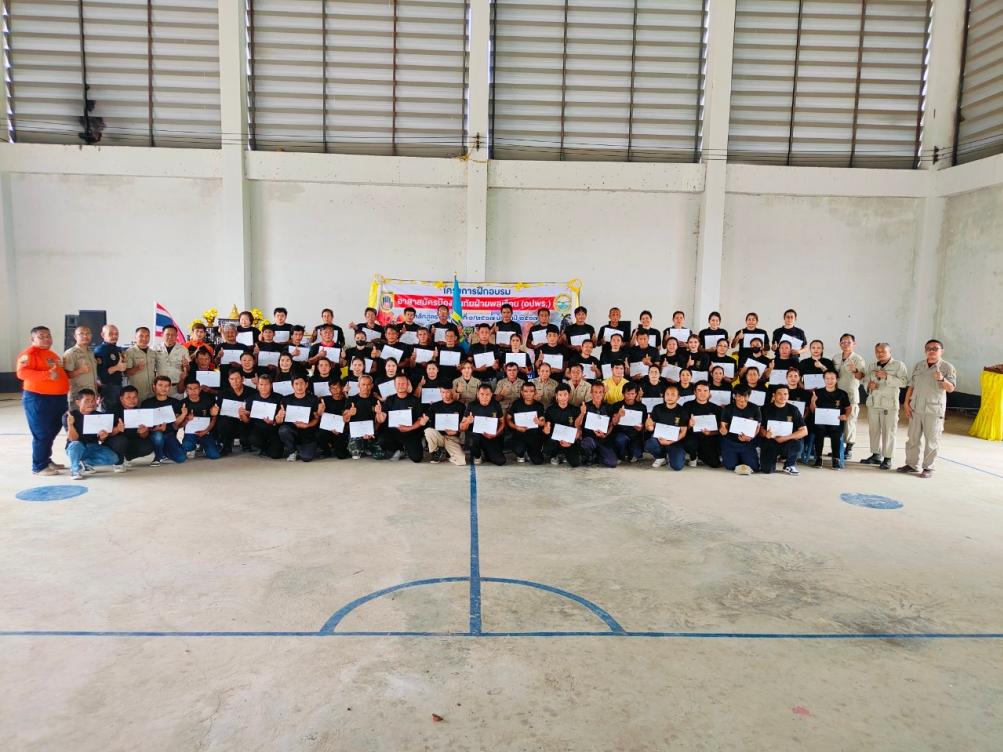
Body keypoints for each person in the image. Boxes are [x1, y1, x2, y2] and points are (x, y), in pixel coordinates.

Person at [898, 340, 957, 478]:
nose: (931, 351)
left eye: (935, 348)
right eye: (929, 348)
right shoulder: (919, 365)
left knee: (931, 440)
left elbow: (951, 388)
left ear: (942, 351)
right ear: (925, 351)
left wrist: (942, 379)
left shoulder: (947, 367)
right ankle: (911, 464)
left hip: (933, 410)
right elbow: (911, 386)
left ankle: (928, 468)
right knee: (912, 439)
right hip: (915, 408)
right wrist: (906, 403)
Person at [17, 326, 70, 475]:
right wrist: (46, 375)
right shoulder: (29, 354)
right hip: (38, 398)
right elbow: (22, 373)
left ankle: (46, 460)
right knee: (42, 432)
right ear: (32, 339)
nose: (46, 339)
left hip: (58, 398)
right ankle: (39, 466)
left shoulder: (52, 355)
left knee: (52, 430)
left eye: (48, 336)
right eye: (41, 336)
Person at [861, 343, 909, 470]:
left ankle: (887, 458)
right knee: (874, 430)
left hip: (889, 404)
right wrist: (868, 386)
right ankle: (876, 455)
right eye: (877, 351)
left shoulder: (898, 365)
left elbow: (904, 382)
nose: (880, 354)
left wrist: (887, 377)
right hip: (873, 403)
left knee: (889, 431)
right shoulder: (872, 366)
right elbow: (865, 380)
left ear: (890, 352)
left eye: (883, 351)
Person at [65, 388, 125, 479]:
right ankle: (75, 470)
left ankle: (83, 462)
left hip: (92, 446)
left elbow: (103, 437)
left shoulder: (99, 416)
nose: (91, 403)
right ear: (78, 402)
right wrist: (70, 424)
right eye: (87, 401)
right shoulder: (70, 416)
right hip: (76, 447)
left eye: (93, 400)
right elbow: (73, 439)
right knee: (75, 444)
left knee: (114, 458)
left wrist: (114, 431)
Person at [758, 385, 808, 475]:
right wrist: (765, 433)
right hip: (770, 442)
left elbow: (804, 431)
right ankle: (771, 461)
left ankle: (789, 465)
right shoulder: (765, 409)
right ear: (774, 395)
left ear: (788, 395)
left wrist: (785, 438)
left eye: (785, 394)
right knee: (767, 470)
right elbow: (759, 428)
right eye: (779, 394)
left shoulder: (793, 409)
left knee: (797, 444)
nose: (783, 396)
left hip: (787, 441)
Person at [377, 374, 425, 462]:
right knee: (381, 440)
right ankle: (399, 449)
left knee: (417, 458)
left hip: (410, 433)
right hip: (394, 432)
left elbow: (420, 420)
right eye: (398, 383)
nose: (401, 386)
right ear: (394, 385)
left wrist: (409, 428)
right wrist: (378, 413)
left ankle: (410, 446)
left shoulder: (415, 400)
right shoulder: (390, 400)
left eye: (403, 383)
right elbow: (381, 419)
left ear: (407, 385)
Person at [140, 375, 186, 466]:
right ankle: (158, 457)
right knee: (158, 436)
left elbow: (176, 423)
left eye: (166, 386)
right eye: (160, 385)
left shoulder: (175, 402)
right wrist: (154, 429)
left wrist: (183, 414)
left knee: (181, 458)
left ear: (169, 387)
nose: (163, 388)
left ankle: (163, 451)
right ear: (154, 386)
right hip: (154, 434)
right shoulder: (147, 403)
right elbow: (144, 424)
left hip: (170, 434)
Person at [810, 370, 851, 469]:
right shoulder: (817, 392)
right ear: (824, 380)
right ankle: (818, 458)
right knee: (819, 431)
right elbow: (812, 410)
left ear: (836, 380)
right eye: (827, 378)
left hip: (835, 422)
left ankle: (836, 459)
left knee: (836, 433)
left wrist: (846, 416)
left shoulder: (842, 394)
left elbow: (848, 408)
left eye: (832, 378)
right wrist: (813, 402)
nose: (830, 381)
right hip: (821, 422)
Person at [834, 333, 866, 459]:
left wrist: (855, 370)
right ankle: (838, 447)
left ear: (854, 344)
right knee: (837, 421)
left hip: (850, 394)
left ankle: (849, 448)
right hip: (836, 395)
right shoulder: (836, 358)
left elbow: (861, 376)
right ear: (839, 344)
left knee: (849, 422)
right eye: (843, 342)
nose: (845, 344)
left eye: (848, 342)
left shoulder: (858, 359)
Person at [277, 375, 323, 462]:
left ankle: (300, 448)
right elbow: (279, 420)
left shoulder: (314, 399)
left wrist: (307, 425)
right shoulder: (286, 400)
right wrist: (278, 418)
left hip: (308, 433)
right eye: (296, 384)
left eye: (301, 383)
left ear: (306, 385)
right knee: (283, 430)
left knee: (306, 457)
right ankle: (292, 451)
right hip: (292, 431)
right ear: (292, 386)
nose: (299, 386)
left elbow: (316, 419)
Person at [106, 385, 155, 465]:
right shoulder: (112, 411)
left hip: (131, 441)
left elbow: (143, 436)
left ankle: (126, 457)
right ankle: (118, 463)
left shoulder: (139, 411)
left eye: (134, 397)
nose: (132, 400)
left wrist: (143, 432)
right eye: (128, 397)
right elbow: (106, 434)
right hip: (115, 442)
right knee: (121, 441)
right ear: (121, 399)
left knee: (148, 446)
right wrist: (117, 429)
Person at [644, 383, 688, 470]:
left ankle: (675, 455)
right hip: (659, 439)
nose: (669, 397)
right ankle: (661, 457)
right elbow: (651, 428)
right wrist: (648, 425)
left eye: (673, 394)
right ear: (664, 396)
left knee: (677, 467)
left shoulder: (683, 411)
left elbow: (683, 432)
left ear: (678, 397)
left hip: (674, 442)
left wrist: (670, 442)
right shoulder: (657, 408)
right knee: (649, 444)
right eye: (667, 394)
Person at [720, 385, 761, 474]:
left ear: (749, 396)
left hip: (747, 442)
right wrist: (723, 430)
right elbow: (723, 426)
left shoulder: (755, 408)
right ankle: (736, 457)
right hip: (730, 442)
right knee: (730, 466)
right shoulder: (728, 408)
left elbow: (757, 427)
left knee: (754, 467)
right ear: (735, 396)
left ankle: (744, 457)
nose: (742, 399)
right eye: (739, 396)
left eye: (745, 396)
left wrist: (750, 437)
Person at [462, 384, 506, 465]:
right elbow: (462, 427)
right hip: (475, 437)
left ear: (491, 395)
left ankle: (487, 454)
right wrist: (467, 421)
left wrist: (496, 434)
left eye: (487, 394)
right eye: (482, 394)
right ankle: (477, 456)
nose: (484, 397)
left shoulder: (496, 405)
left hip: (490, 436)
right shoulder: (472, 405)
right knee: (472, 441)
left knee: (501, 461)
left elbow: (502, 422)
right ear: (478, 394)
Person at [244, 373, 284, 459]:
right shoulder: (251, 398)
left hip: (273, 429)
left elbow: (280, 418)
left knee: (276, 455)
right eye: (261, 384)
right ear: (257, 385)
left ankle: (271, 447)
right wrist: (245, 413)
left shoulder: (279, 398)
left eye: (266, 384)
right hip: (258, 429)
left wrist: (274, 422)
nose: (263, 387)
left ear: (271, 385)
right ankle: (264, 447)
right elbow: (247, 419)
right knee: (252, 438)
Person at [424, 383, 466, 465]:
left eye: (447, 392)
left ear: (452, 392)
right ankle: (436, 452)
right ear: (440, 392)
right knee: (428, 431)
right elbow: (428, 417)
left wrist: (457, 431)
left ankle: (449, 452)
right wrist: (424, 419)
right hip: (439, 436)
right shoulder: (435, 406)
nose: (445, 395)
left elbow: (463, 424)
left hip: (453, 438)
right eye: (443, 392)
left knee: (461, 462)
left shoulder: (460, 406)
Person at [178, 379, 220, 460]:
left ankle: (205, 446)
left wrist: (206, 431)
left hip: (206, 432)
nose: (193, 391)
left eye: (195, 388)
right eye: (190, 389)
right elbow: (178, 426)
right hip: (190, 433)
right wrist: (186, 419)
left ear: (200, 389)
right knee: (187, 446)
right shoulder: (183, 403)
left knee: (215, 455)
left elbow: (214, 419)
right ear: (186, 390)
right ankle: (193, 447)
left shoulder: (208, 401)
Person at [542, 384, 582, 466]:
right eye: (560, 395)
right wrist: (546, 430)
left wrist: (571, 442)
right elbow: (546, 428)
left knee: (575, 463)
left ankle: (564, 454)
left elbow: (579, 430)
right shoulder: (550, 410)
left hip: (569, 441)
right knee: (547, 448)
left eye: (565, 394)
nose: (563, 398)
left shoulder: (575, 410)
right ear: (556, 396)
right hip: (555, 440)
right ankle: (555, 455)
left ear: (569, 395)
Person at [215, 369, 253, 456]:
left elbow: (255, 410)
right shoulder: (223, 393)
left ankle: (246, 443)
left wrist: (247, 414)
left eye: (237, 378)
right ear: (229, 380)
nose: (235, 381)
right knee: (223, 423)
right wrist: (215, 410)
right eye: (232, 379)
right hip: (229, 421)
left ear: (242, 379)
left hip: (245, 420)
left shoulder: (251, 392)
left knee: (250, 423)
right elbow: (218, 409)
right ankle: (226, 445)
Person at [684, 382, 722, 468]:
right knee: (689, 443)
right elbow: (682, 427)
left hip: (708, 438)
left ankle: (701, 454)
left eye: (705, 391)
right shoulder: (687, 405)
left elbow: (721, 429)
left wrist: (711, 433)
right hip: (692, 437)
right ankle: (693, 456)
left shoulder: (716, 408)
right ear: (695, 392)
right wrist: (689, 425)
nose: (702, 393)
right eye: (699, 390)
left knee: (715, 464)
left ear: (709, 393)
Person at [580, 381, 618, 467]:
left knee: (612, 463)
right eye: (595, 392)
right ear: (591, 392)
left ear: (604, 393)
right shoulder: (585, 406)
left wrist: (605, 435)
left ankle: (597, 456)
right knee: (587, 443)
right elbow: (578, 425)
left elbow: (611, 425)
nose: (598, 395)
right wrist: (582, 414)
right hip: (589, 438)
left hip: (603, 440)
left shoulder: (608, 407)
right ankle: (588, 456)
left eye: (600, 392)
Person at [507, 383, 546, 464]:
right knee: (519, 451)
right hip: (520, 434)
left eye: (531, 391)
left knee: (538, 461)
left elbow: (542, 422)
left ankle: (530, 451)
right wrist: (516, 427)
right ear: (522, 392)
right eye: (525, 391)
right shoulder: (517, 403)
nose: (528, 394)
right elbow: (508, 419)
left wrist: (539, 422)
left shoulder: (539, 405)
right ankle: (522, 452)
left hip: (534, 435)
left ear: (535, 392)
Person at [345, 375, 382, 460]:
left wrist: (373, 431)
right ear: (358, 385)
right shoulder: (351, 399)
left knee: (380, 455)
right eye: (363, 384)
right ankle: (362, 447)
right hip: (356, 433)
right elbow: (344, 419)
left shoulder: (375, 401)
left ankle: (366, 446)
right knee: (355, 454)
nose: (366, 387)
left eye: (368, 385)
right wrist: (350, 413)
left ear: (372, 386)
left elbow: (379, 420)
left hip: (370, 433)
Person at [611, 382, 646, 463]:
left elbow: (644, 426)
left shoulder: (642, 407)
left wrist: (641, 427)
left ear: (636, 394)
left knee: (637, 455)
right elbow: (614, 423)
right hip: (621, 435)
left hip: (635, 436)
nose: (630, 396)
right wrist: (619, 415)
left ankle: (630, 453)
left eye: (632, 394)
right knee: (620, 440)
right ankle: (621, 454)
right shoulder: (617, 405)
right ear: (623, 394)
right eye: (627, 394)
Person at [94, 324, 127, 411]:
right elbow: (101, 374)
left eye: (116, 334)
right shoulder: (100, 350)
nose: (114, 336)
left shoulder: (117, 349)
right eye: (111, 334)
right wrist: (117, 367)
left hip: (119, 385)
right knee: (110, 414)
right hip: (108, 388)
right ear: (102, 335)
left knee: (119, 413)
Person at [62, 325, 97, 406]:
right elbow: (66, 375)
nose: (85, 336)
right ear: (75, 336)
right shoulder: (70, 353)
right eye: (81, 334)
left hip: (92, 394)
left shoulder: (91, 353)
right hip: (78, 396)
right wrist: (80, 370)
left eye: (88, 334)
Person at [317, 380, 350, 460]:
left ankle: (336, 446)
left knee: (341, 455)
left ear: (342, 388)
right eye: (332, 388)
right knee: (320, 434)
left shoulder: (347, 400)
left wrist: (342, 430)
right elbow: (318, 415)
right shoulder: (324, 400)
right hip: (328, 430)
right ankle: (326, 450)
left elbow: (349, 419)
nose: (335, 390)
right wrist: (320, 411)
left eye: (337, 388)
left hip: (341, 431)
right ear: (329, 390)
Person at [154, 324, 190, 397]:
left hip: (176, 387)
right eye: (167, 334)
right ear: (162, 335)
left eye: (173, 335)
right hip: (160, 388)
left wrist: (186, 366)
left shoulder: (183, 350)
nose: (170, 337)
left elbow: (188, 369)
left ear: (176, 336)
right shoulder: (154, 348)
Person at [124, 326, 158, 402]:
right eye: (141, 336)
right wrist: (137, 368)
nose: (144, 338)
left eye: (147, 336)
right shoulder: (130, 352)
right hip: (137, 392)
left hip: (152, 391)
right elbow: (126, 373)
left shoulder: (152, 352)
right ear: (136, 337)